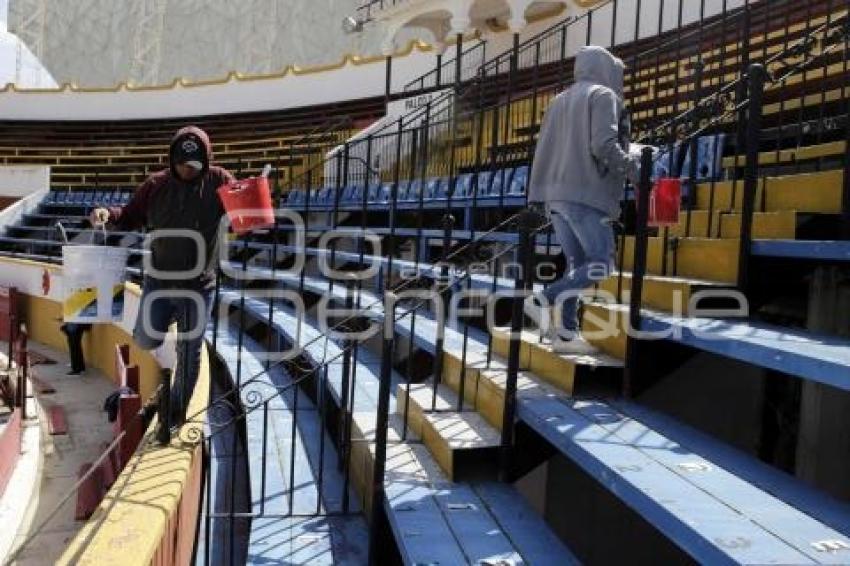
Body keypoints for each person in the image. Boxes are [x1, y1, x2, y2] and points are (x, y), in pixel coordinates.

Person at [89, 126, 235, 429]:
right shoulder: (154, 186)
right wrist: (107, 213)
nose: (187, 170)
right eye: (182, 164)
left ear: (206, 161)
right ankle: (170, 322)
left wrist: (251, 204)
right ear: (172, 159)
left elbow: (245, 210)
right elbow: (128, 215)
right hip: (159, 281)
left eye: (194, 165)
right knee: (145, 338)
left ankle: (175, 415)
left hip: (199, 285)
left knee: (189, 351)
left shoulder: (220, 181)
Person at [528, 46, 642, 353]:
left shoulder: (558, 100)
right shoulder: (604, 96)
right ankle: (544, 299)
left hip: (556, 196)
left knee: (577, 263)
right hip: (586, 194)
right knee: (602, 265)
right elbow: (604, 145)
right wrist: (634, 169)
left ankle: (566, 333)